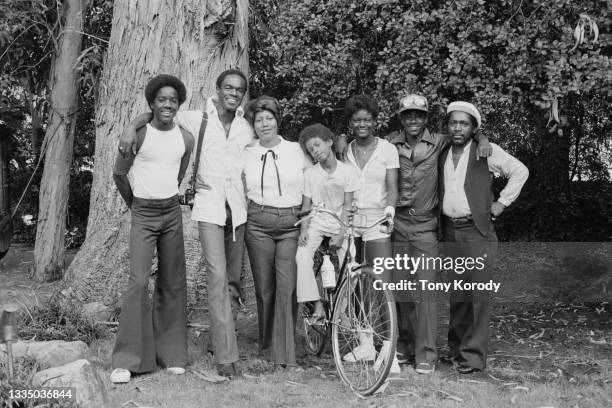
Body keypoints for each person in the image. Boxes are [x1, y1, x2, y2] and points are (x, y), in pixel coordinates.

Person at [119, 69, 253, 378]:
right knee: (217, 276)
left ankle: (213, 342)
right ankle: (226, 357)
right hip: (208, 208)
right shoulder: (194, 119)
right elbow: (161, 114)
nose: (233, 93)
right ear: (217, 90)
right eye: (228, 88)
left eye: (239, 89)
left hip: (239, 211)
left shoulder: (247, 127)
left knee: (231, 281)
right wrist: (130, 126)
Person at [385, 94, 491, 375]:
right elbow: (364, 148)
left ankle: (426, 355)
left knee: (427, 292)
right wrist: (343, 142)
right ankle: (405, 348)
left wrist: (483, 139)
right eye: (408, 115)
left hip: (425, 227)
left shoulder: (440, 141)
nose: (413, 120)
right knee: (402, 291)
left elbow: (466, 136)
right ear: (401, 118)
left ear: (426, 118)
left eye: (418, 115)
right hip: (396, 226)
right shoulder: (389, 144)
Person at [110, 74, 194, 384]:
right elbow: (119, 175)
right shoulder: (139, 135)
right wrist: (135, 205)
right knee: (138, 281)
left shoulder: (186, 139)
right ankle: (127, 360)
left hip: (171, 212)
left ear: (179, 103)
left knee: (173, 281)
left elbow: (178, 176)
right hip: (143, 213)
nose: (168, 104)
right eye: (162, 99)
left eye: (173, 100)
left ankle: (171, 355)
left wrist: (165, 201)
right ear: (152, 103)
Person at [440, 101, 528, 374]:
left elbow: (520, 171)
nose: (457, 127)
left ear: (474, 127)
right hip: (450, 231)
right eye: (453, 122)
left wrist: (501, 203)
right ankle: (456, 350)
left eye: (464, 123)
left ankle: (473, 357)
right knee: (458, 294)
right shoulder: (441, 148)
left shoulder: (485, 151)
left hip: (477, 231)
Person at [243, 95, 307, 368]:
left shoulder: (295, 149)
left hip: (291, 222)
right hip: (258, 221)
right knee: (265, 287)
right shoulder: (246, 151)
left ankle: (286, 351)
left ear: (277, 120)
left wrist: (305, 220)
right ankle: (267, 345)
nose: (265, 123)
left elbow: (310, 187)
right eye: (259, 120)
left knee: (287, 285)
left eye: (269, 118)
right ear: (253, 124)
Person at [342, 95, 399, 362]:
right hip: (352, 222)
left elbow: (393, 186)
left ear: (375, 122)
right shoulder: (345, 149)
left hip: (378, 221)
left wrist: (390, 210)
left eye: (367, 120)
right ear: (351, 123)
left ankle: (388, 348)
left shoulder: (387, 149)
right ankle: (365, 344)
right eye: (357, 120)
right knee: (353, 284)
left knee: (382, 284)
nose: (362, 124)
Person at [295, 123, 359, 323]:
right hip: (318, 221)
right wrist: (303, 230)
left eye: (317, 145)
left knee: (352, 263)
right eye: (311, 149)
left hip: (340, 222)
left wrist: (341, 234)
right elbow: (306, 206)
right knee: (302, 255)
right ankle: (316, 303)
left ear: (329, 142)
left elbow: (348, 205)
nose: (315, 151)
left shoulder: (347, 172)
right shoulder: (310, 174)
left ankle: (341, 309)